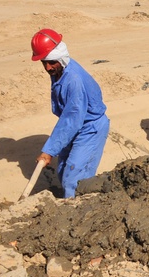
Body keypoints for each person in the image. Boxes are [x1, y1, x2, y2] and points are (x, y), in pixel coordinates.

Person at [30, 29, 109, 198]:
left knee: (75, 179)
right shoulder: (60, 69)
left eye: (51, 62)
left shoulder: (73, 79)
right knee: (63, 170)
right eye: (44, 62)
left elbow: (72, 118)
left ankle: (78, 212)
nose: (47, 67)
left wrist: (49, 151)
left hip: (90, 128)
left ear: (60, 56)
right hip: (77, 124)